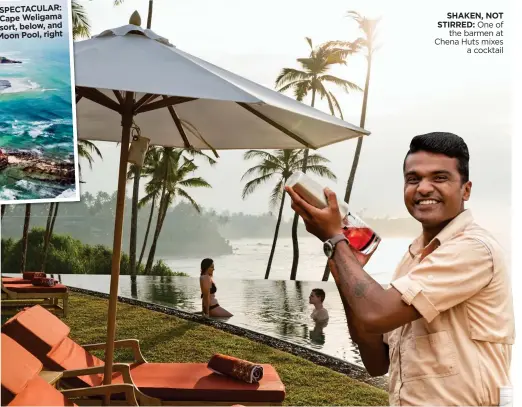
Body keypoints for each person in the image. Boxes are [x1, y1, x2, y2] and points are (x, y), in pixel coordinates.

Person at [285, 132, 514, 406]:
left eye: (440, 178)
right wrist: (343, 260)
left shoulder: (474, 249)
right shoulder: (413, 259)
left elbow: (375, 314)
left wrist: (335, 239)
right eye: (413, 179)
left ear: (466, 189)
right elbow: (376, 361)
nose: (424, 188)